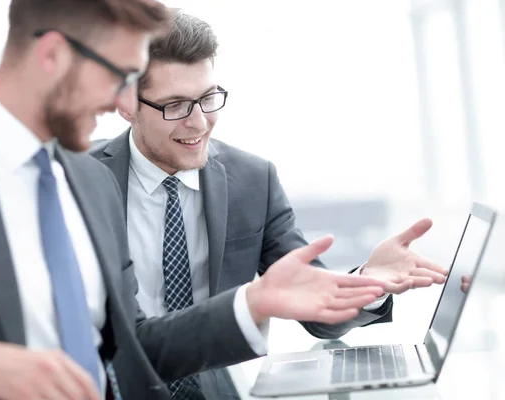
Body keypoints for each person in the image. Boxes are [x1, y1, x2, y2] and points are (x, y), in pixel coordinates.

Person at [0, 1, 389, 400]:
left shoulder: (85, 181)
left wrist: (253, 302)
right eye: (121, 75)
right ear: (53, 55)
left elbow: (132, 347)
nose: (122, 104)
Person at [90, 10, 449, 398]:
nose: (199, 123)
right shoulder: (77, 178)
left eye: (208, 98)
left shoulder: (252, 180)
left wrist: (367, 284)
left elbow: (317, 312)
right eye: (175, 105)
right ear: (127, 105)